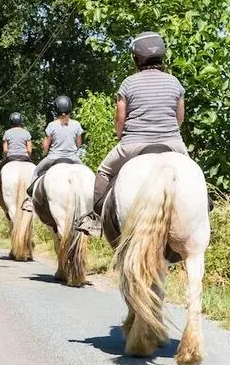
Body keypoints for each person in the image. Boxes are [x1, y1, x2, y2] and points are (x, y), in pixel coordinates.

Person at [76, 31, 188, 235]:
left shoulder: (128, 83)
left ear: (136, 57)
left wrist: (121, 136)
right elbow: (179, 118)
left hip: (133, 143)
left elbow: (120, 119)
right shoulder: (175, 83)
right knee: (193, 172)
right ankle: (205, 211)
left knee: (103, 171)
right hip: (173, 143)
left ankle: (94, 219)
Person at [21, 95, 84, 212]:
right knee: (88, 174)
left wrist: (45, 151)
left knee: (36, 171)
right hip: (73, 158)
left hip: (53, 157)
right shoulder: (76, 124)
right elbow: (79, 144)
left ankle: (29, 199)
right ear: (70, 108)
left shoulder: (52, 125)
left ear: (56, 109)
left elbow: (46, 146)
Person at [0, 112, 33, 177]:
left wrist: (4, 157)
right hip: (24, 157)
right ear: (21, 121)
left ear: (11, 122)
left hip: (10, 157)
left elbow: (5, 150)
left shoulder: (7, 133)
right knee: (35, 172)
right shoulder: (26, 133)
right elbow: (29, 150)